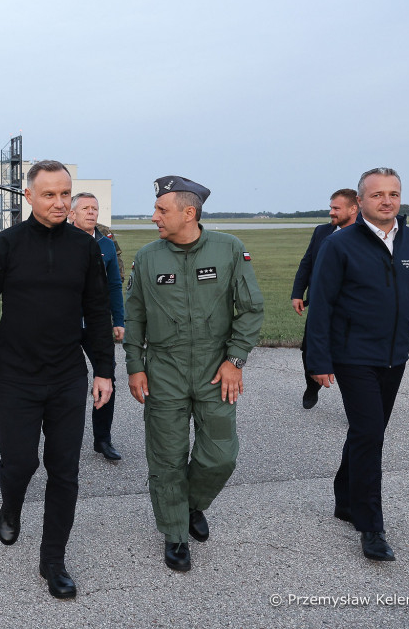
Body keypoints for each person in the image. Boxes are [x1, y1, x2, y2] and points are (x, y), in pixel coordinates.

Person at [0, 160, 113, 600]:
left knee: (64, 472)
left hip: (68, 375)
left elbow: (98, 311)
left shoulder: (86, 247)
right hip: (18, 376)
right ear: (28, 196)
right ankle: (10, 504)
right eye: (49, 194)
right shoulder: (6, 245)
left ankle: (53, 560)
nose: (60, 202)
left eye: (65, 193)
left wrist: (104, 369)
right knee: (20, 463)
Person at [306, 167, 409, 562]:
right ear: (361, 202)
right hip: (351, 355)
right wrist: (318, 359)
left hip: (395, 356)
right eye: (377, 195)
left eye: (393, 193)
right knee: (370, 433)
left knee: (365, 433)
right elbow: (321, 307)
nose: (387, 200)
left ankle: (345, 499)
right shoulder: (339, 245)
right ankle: (371, 526)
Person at [123, 176, 264, 573]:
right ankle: (175, 533)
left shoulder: (229, 249)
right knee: (166, 458)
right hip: (163, 369)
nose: (154, 218)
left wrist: (234, 360)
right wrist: (135, 366)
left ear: (189, 212)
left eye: (161, 210)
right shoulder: (149, 257)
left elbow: (251, 309)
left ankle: (191, 505)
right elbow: (134, 316)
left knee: (221, 455)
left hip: (214, 369)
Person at [68, 192, 125, 461]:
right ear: (72, 214)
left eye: (95, 208)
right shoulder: (60, 241)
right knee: (66, 381)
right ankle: (62, 437)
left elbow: (114, 285)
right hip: (65, 324)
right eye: (85, 208)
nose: (91, 212)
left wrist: (119, 320)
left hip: (96, 324)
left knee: (107, 376)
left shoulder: (107, 245)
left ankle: (102, 439)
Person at [290, 189, 358, 409]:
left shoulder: (365, 236)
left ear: (353, 208)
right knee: (309, 350)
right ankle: (312, 386)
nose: (331, 212)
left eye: (336, 208)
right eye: (331, 207)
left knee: (352, 357)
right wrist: (297, 293)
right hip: (320, 303)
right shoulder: (322, 232)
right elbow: (307, 262)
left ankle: (357, 404)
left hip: (351, 308)